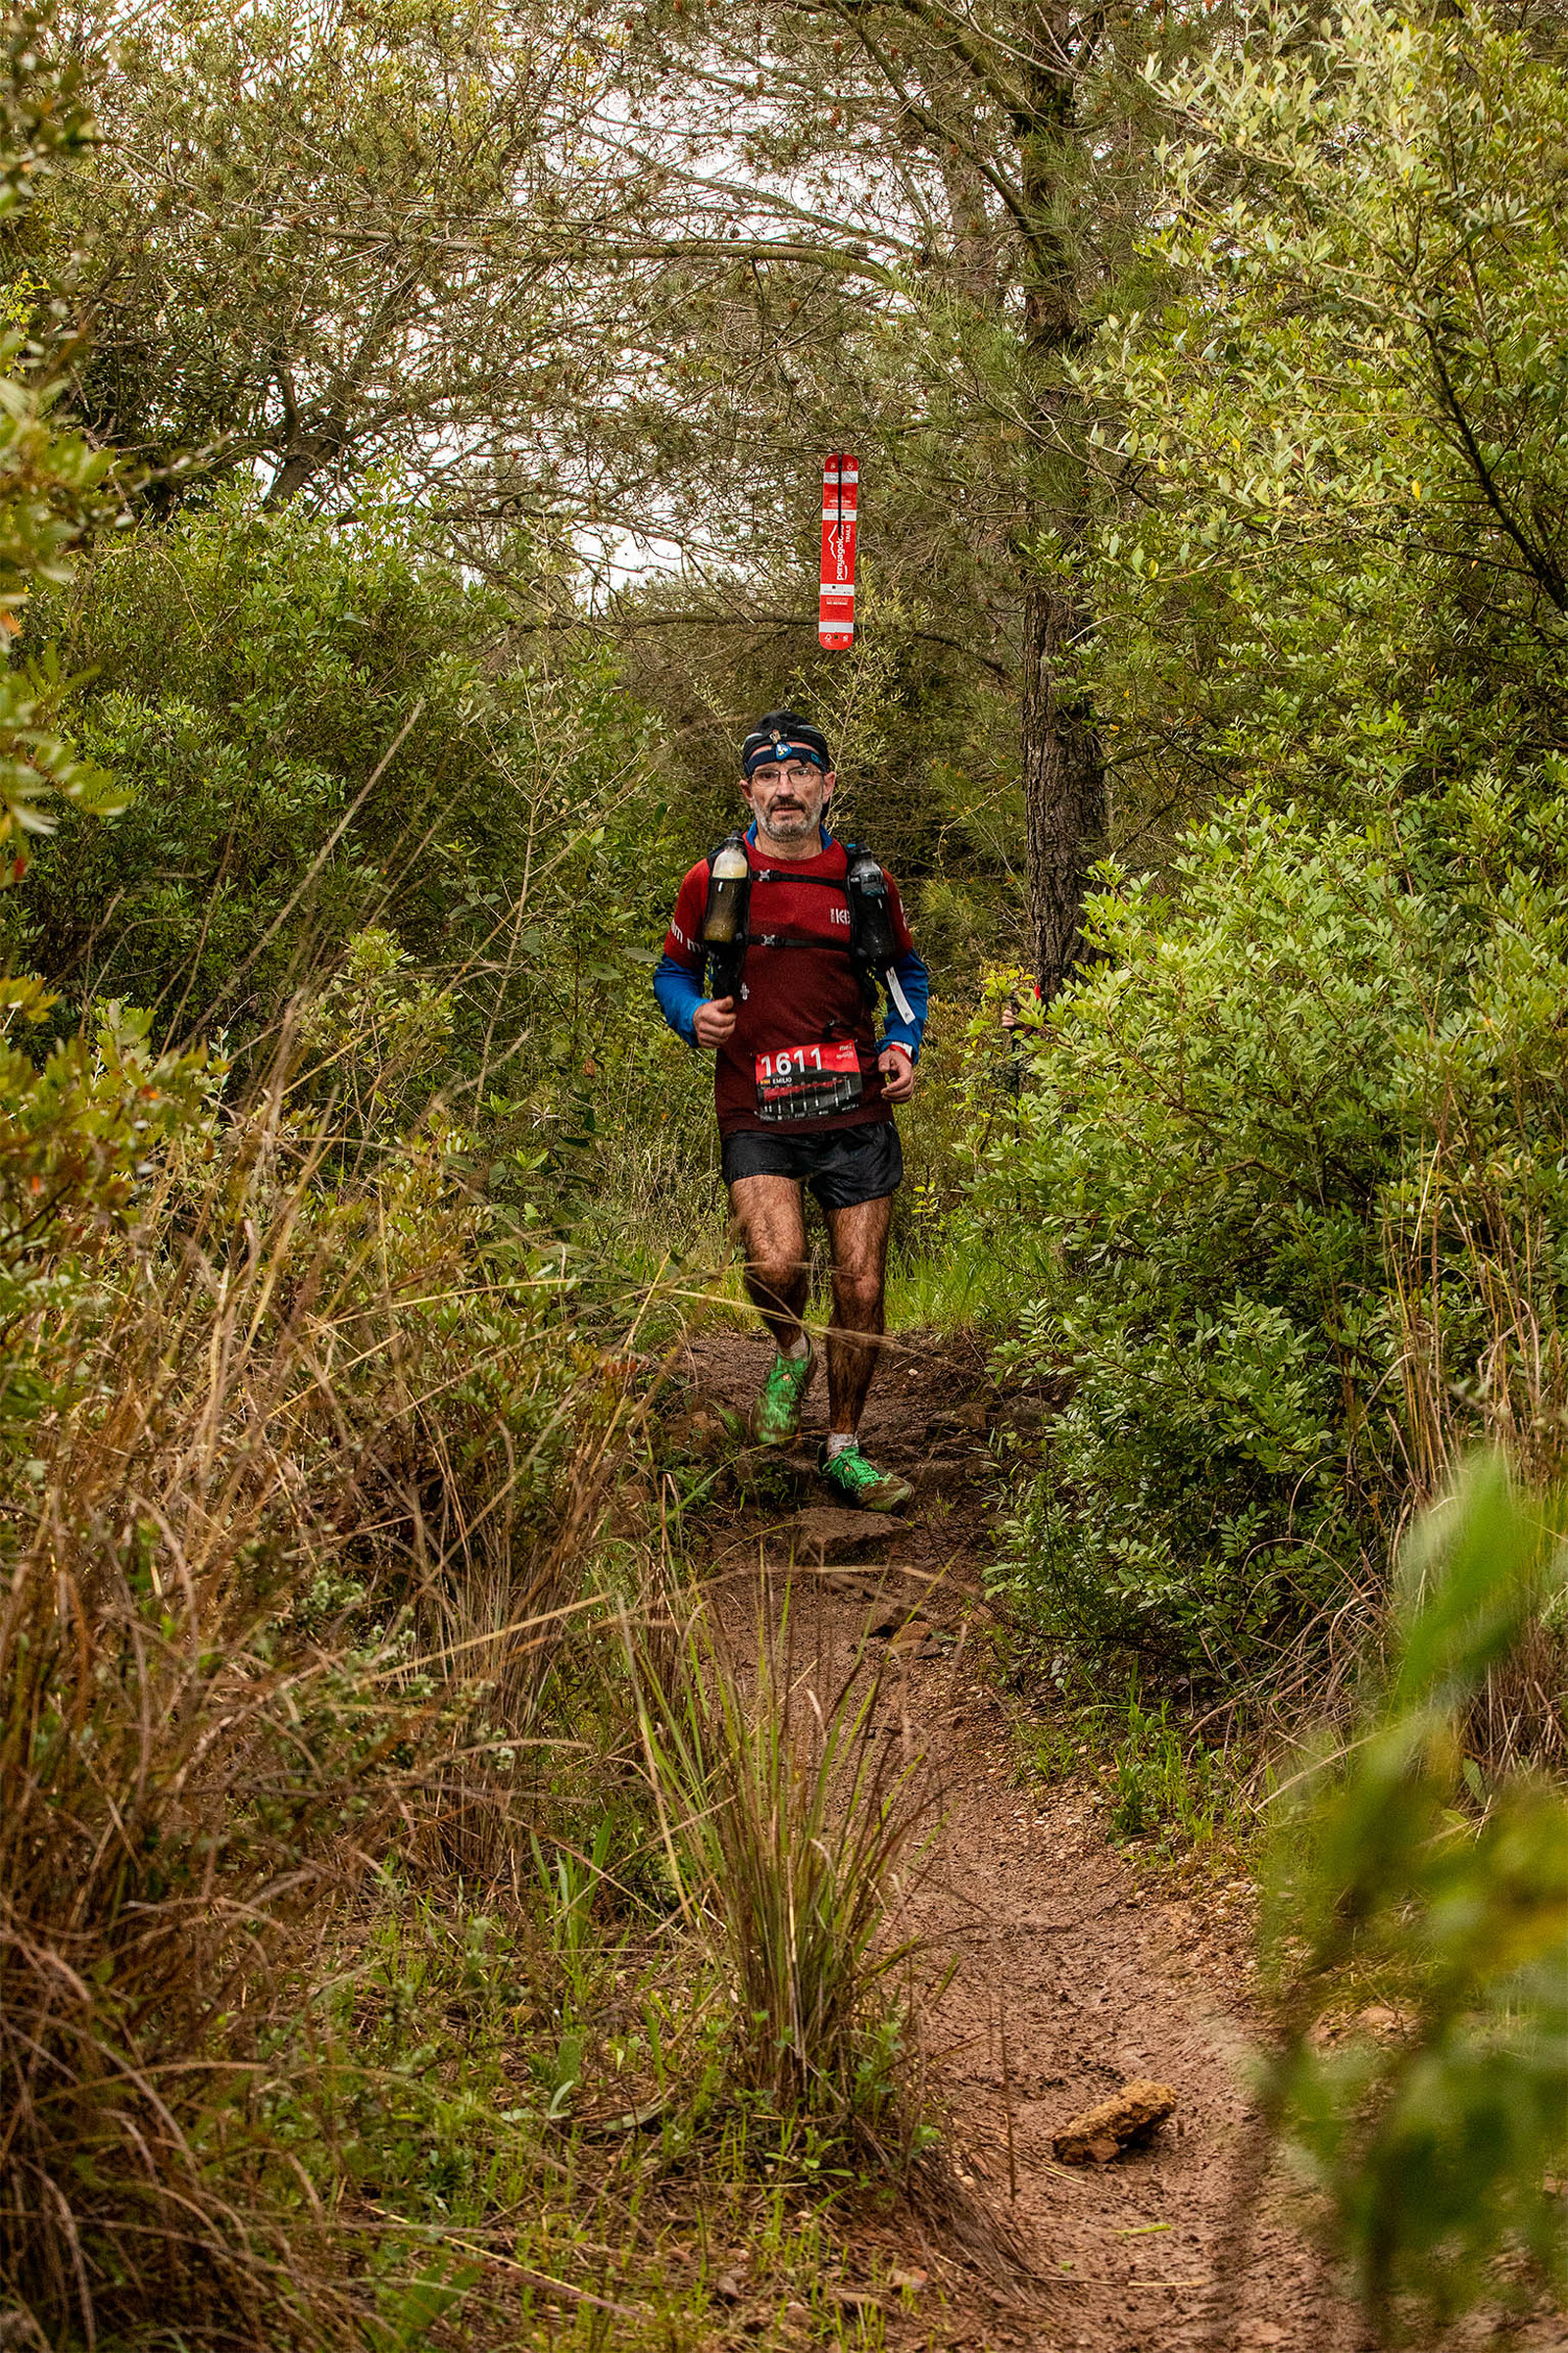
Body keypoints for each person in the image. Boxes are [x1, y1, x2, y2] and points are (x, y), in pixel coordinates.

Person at [653, 711, 929, 1510]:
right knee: (776, 1266)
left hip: (854, 1107)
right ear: (747, 790)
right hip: (756, 1105)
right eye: (769, 777)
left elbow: (906, 974)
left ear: (827, 785)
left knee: (862, 1283)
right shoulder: (715, 880)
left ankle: (844, 1444)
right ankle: (791, 1349)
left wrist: (903, 1044)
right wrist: (691, 1014)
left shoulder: (864, 881)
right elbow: (673, 973)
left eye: (801, 773)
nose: (785, 790)